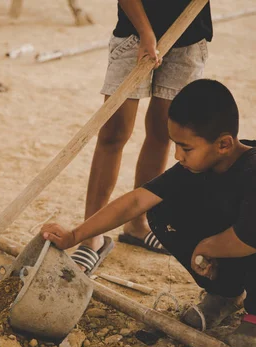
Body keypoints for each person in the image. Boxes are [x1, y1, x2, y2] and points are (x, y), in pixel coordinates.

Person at [42, 79, 256, 347]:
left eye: (186, 148)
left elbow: (252, 238)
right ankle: (225, 293)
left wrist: (207, 247)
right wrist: (75, 235)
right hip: (245, 243)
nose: (178, 155)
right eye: (175, 145)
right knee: (161, 208)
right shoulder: (199, 165)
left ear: (224, 144)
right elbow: (136, 202)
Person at [70, 0, 213, 272]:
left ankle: (137, 224)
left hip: (188, 39)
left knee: (163, 132)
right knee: (113, 133)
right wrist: (146, 33)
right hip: (133, 35)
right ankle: (91, 238)